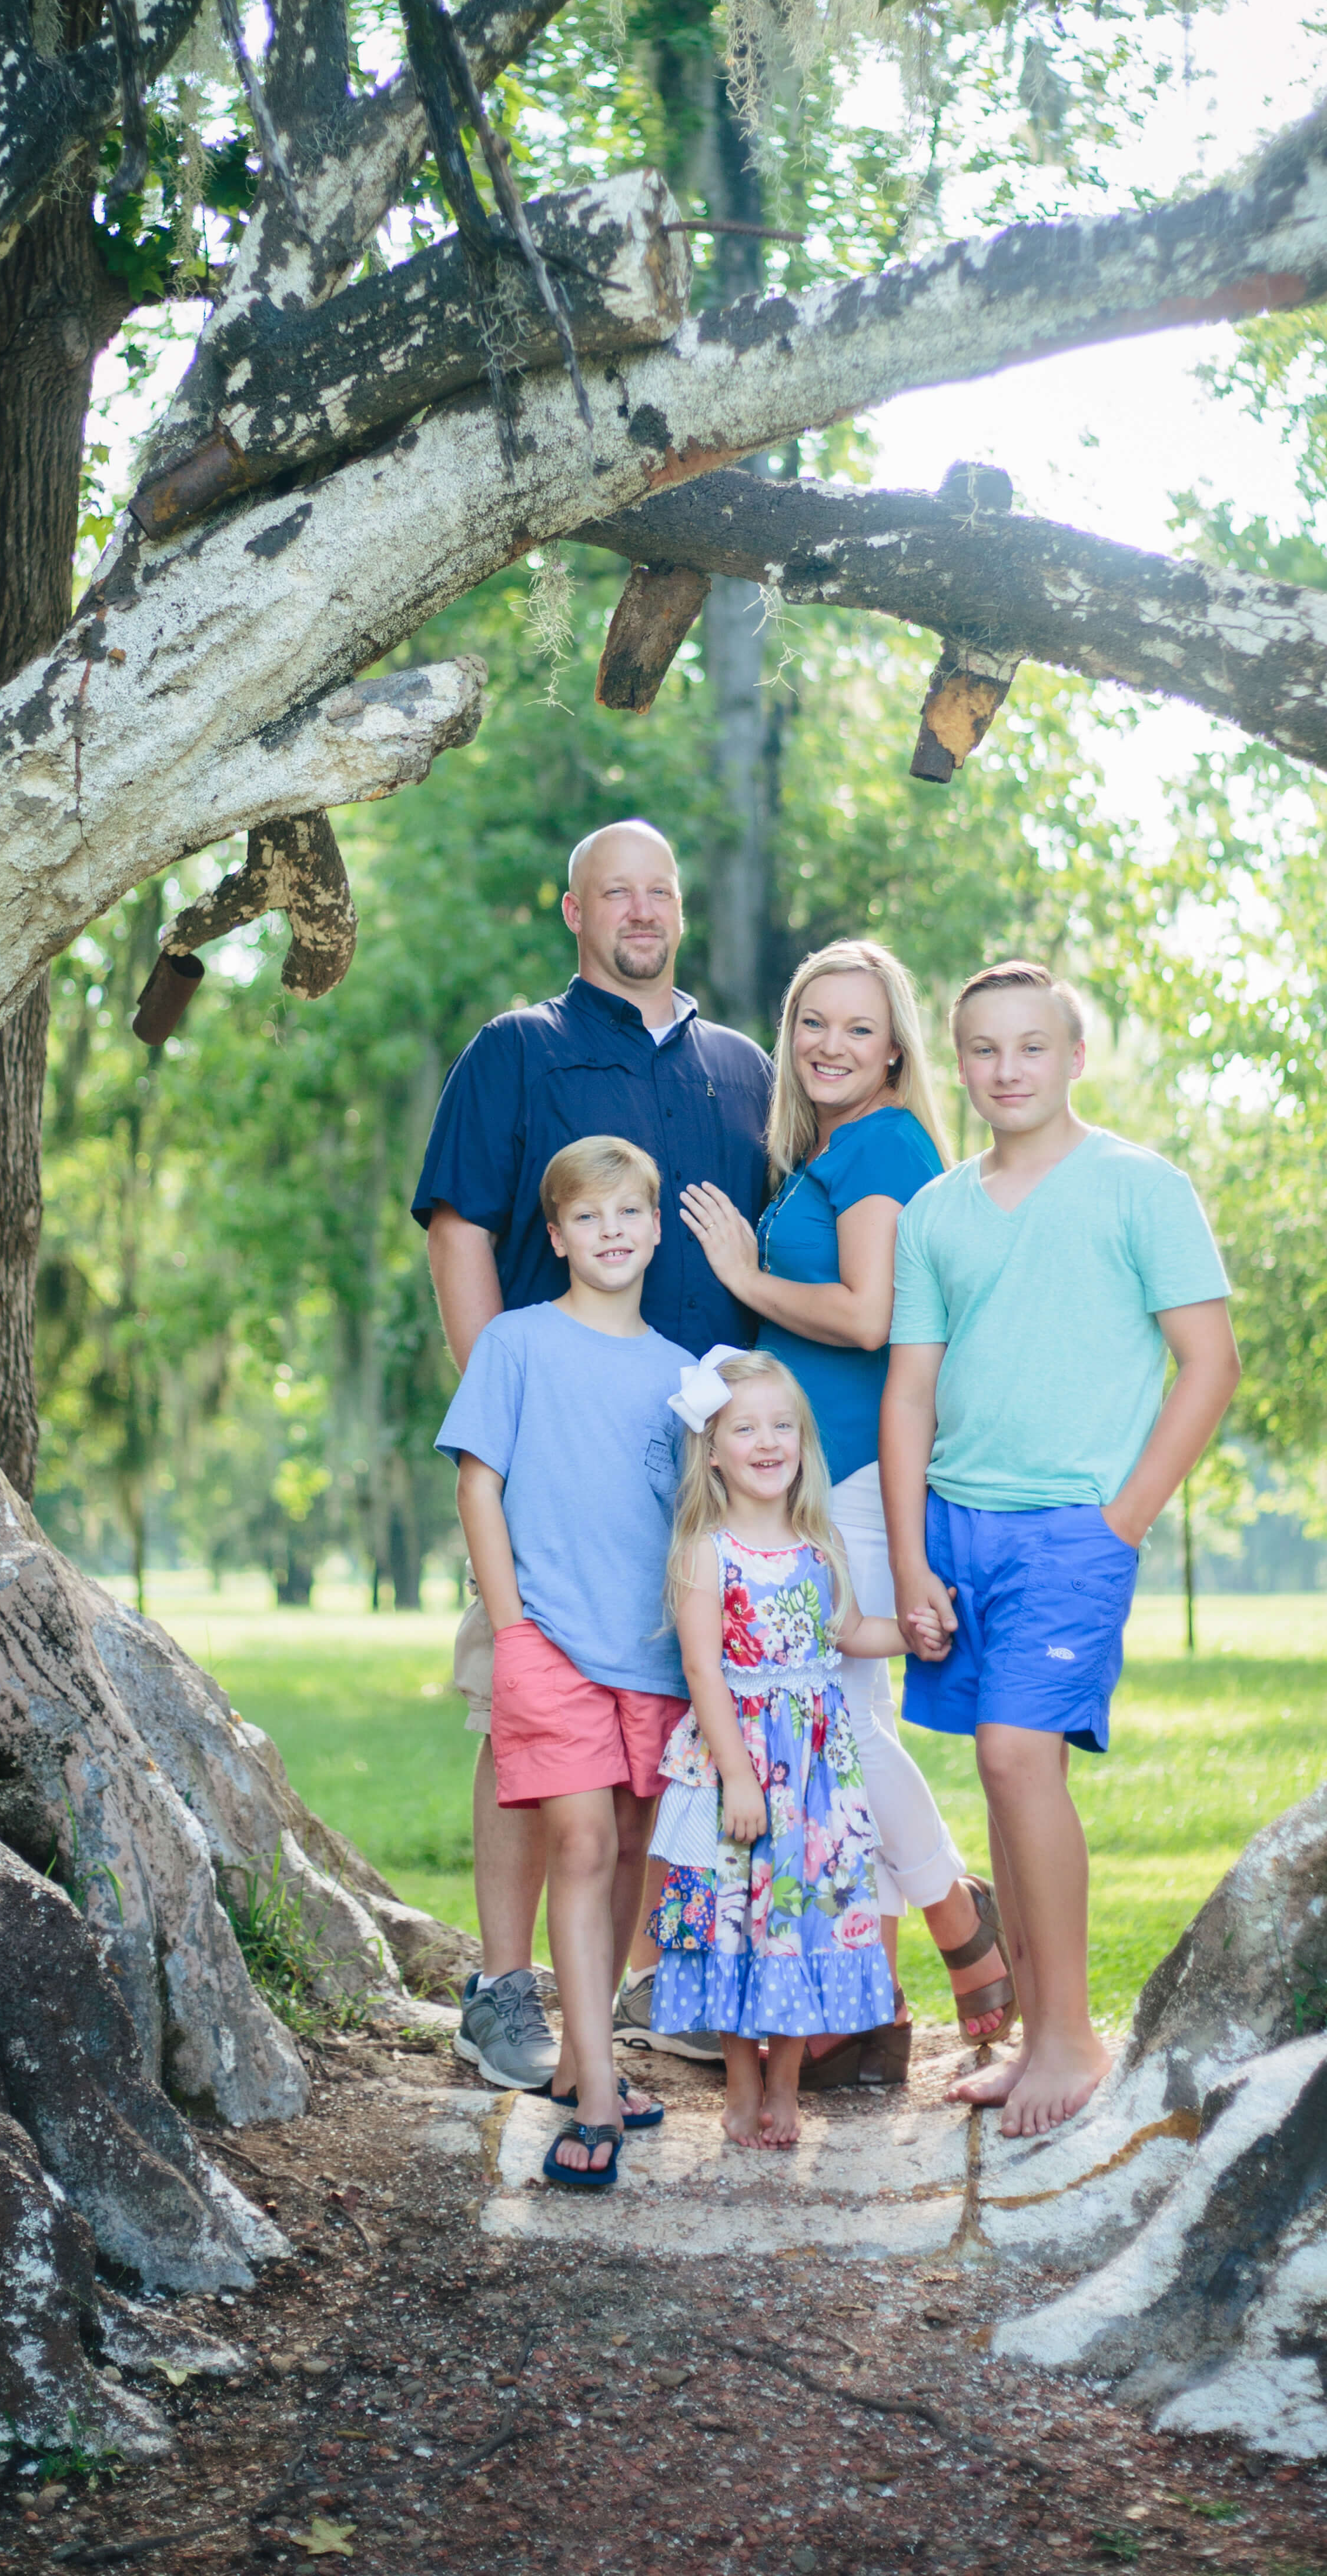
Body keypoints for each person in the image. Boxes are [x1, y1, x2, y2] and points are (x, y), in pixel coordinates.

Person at [412, 819, 772, 2088]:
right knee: (529, 1724)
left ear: (680, 908)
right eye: (614, 890)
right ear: (573, 910)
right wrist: (499, 1402)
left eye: (659, 890)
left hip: (696, 1471)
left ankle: (609, 2003)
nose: (640, 908)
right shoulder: (521, 1048)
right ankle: (504, 1987)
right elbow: (461, 1225)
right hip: (555, 1463)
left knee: (658, 1739)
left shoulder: (743, 1065)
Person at [881, 961, 1240, 2138]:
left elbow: (1210, 1363)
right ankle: (1036, 2027)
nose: (1005, 1069)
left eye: (1029, 1046)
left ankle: (1069, 2037)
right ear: (960, 1060)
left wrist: (1122, 1517)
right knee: (1002, 1770)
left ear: (1072, 1055)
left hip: (1072, 1527)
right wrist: (905, 1558)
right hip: (954, 1528)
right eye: (981, 1049)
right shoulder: (936, 1209)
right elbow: (909, 1390)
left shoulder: (1139, 1186)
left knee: (1014, 1751)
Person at [676, 939, 1015, 2080]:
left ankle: (959, 1916)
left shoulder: (883, 1145)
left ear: (894, 1050)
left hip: (859, 1477)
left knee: (837, 1728)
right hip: (808, 1476)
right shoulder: (825, 1151)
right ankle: (865, 2019)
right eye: (812, 1021)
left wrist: (744, 1279)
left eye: (858, 1028)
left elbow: (870, 1316)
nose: (830, 1043)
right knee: (838, 1726)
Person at [438, 1136, 694, 2187]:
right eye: (588, 1219)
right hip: (547, 1642)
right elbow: (479, 1489)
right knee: (581, 1844)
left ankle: (595, 2059)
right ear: (556, 1237)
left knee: (630, 1846)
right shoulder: (518, 1345)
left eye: (630, 1214)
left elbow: (695, 1522)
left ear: (656, 1226)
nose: (612, 1233)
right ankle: (589, 2096)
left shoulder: (686, 1377)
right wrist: (512, 1632)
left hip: (654, 1656)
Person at [647, 1349, 917, 2147]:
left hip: (817, 1785)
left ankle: (788, 2088)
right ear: (713, 1450)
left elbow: (854, 1633)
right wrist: (737, 1777)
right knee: (735, 1924)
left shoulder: (819, 1543)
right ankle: (739, 2087)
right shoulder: (708, 1551)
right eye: (746, 1428)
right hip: (739, 1765)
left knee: (802, 1924)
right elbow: (702, 1668)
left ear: (803, 1441)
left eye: (783, 1426)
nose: (768, 1443)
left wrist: (917, 1634)